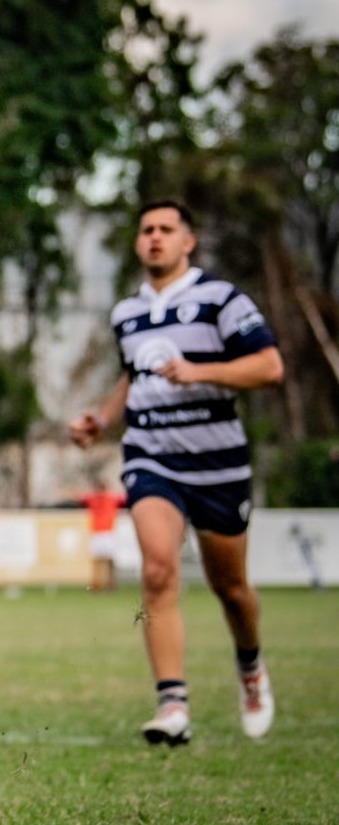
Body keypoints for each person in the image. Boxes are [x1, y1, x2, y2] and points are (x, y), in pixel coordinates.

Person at [69, 198, 284, 746]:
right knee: (158, 569)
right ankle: (172, 704)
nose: (155, 238)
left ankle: (251, 668)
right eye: (146, 230)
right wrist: (104, 418)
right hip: (150, 454)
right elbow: (132, 377)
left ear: (188, 241)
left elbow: (269, 366)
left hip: (217, 459)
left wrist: (198, 371)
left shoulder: (222, 300)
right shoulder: (127, 313)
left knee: (230, 587)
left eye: (166, 229)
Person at [78, 475, 127, 593]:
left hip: (99, 532)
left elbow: (80, 499)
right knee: (107, 560)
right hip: (107, 532)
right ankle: (108, 584)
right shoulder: (112, 498)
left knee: (99, 561)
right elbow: (126, 500)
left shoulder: (92, 498)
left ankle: (98, 585)